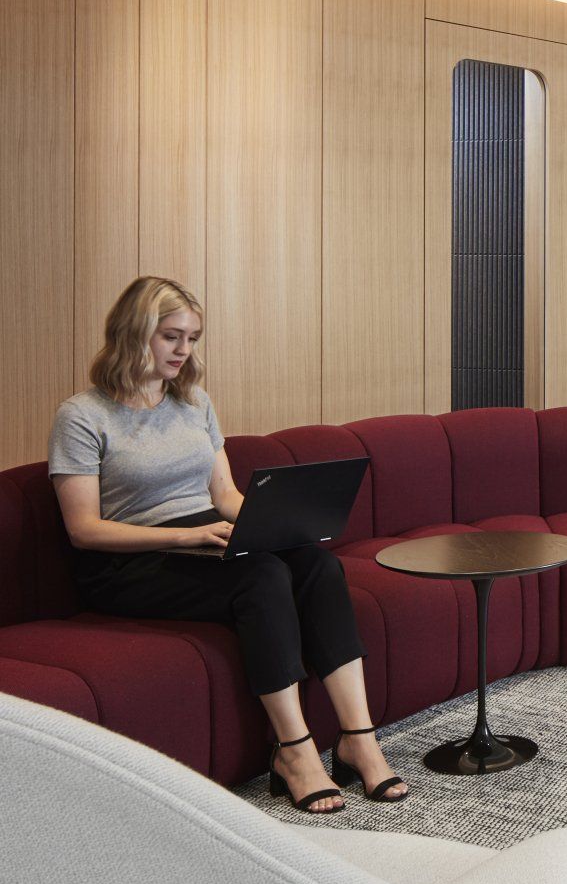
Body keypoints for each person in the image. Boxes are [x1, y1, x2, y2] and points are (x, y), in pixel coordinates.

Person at [48, 276, 408, 813]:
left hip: (203, 541)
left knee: (315, 567)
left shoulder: (193, 402)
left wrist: (276, 525)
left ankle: (359, 738)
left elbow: (224, 494)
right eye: (172, 336)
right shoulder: (82, 415)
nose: (184, 350)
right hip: (127, 562)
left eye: (192, 338)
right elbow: (85, 529)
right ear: (134, 332)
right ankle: (294, 751)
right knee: (261, 578)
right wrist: (189, 534)